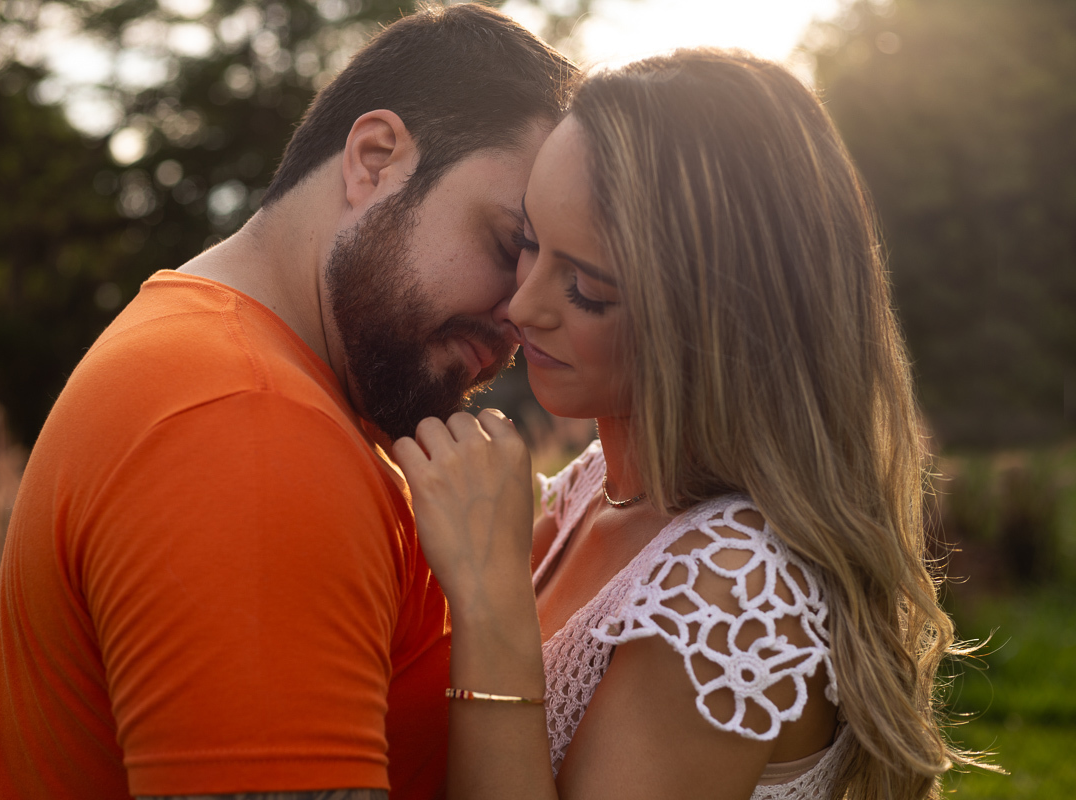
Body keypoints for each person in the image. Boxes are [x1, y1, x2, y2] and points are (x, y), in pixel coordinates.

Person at [0, 5, 576, 799]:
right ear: (374, 159)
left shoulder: (242, 374)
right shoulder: (247, 425)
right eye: (510, 245)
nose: (522, 309)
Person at [392, 50, 977, 800]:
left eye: (587, 289)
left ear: (722, 321)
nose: (521, 305)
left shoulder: (730, 594)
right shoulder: (599, 486)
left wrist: (491, 599)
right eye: (529, 242)